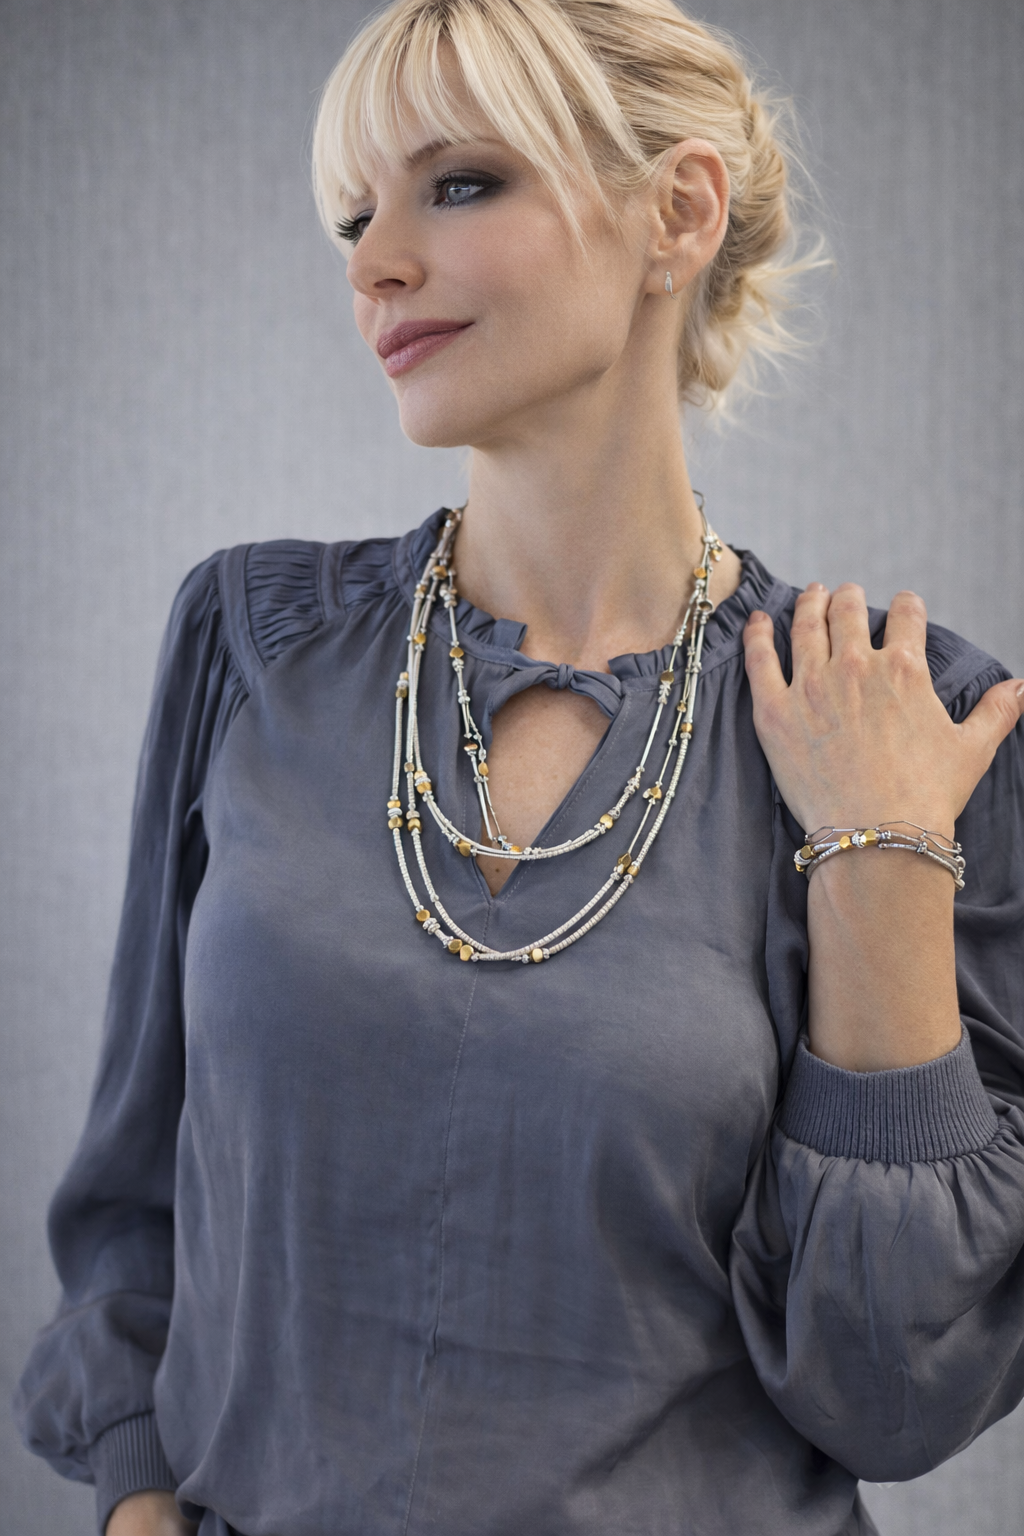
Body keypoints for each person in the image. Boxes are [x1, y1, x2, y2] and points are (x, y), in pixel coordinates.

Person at [15, 0, 1024, 1532]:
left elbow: (890, 1395)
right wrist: (136, 1505)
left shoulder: (909, 724)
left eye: (460, 183)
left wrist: (878, 860)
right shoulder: (252, 647)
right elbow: (133, 1211)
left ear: (677, 213)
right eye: (355, 215)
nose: (372, 264)